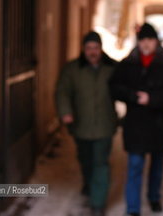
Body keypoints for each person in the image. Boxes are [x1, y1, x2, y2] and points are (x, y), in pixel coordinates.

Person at [110, 23, 163, 216]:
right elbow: (114, 87)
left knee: (157, 167)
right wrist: (132, 96)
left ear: (156, 42)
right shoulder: (127, 64)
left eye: (149, 40)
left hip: (160, 124)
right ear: (138, 41)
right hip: (136, 124)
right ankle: (133, 208)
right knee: (135, 166)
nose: (146, 43)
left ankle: (154, 197)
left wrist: (152, 99)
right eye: (142, 39)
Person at [55, 31, 118, 216]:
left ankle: (98, 203)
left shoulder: (111, 68)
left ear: (101, 49)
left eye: (96, 48)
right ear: (83, 49)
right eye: (89, 48)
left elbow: (124, 86)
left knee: (101, 163)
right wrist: (65, 111)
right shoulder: (72, 69)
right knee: (85, 159)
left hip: (105, 124)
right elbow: (62, 91)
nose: (93, 52)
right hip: (80, 125)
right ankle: (89, 183)